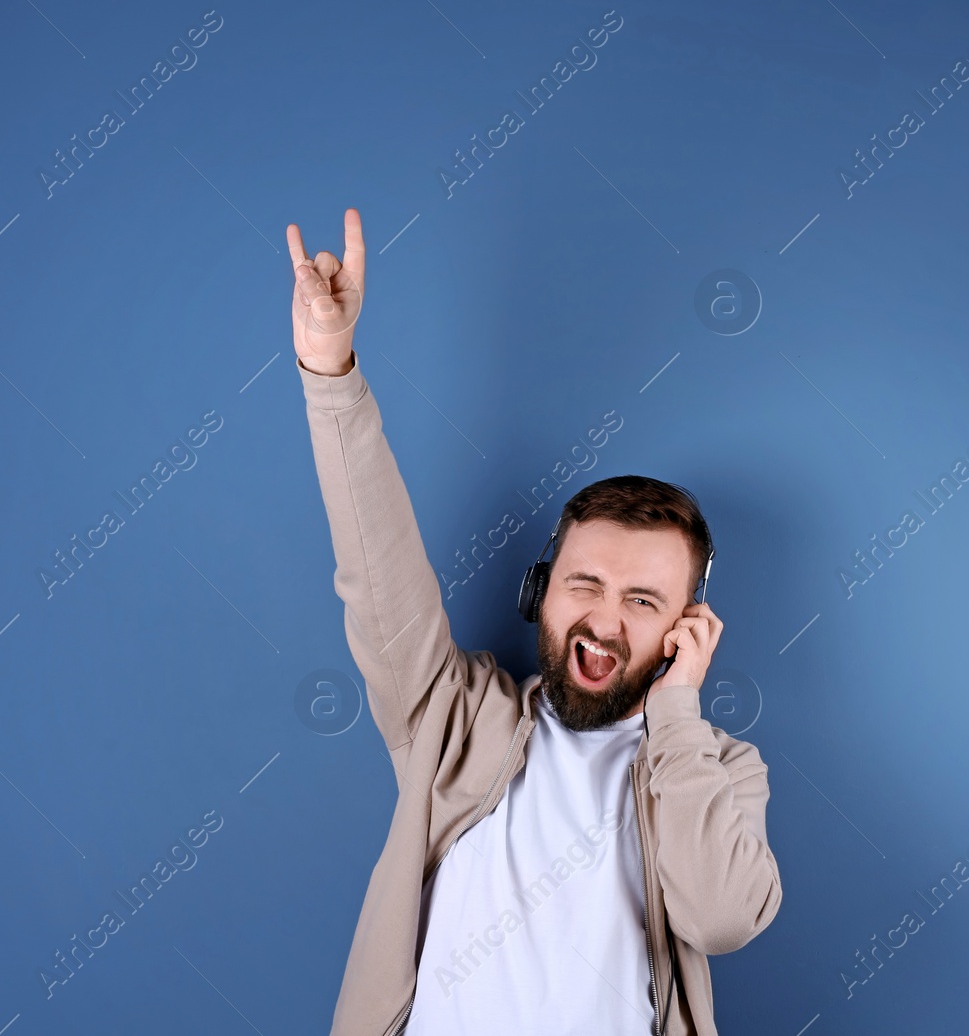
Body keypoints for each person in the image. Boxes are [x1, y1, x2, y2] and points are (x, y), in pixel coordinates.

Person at [289, 208, 781, 1035]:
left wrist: (678, 712)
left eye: (643, 600)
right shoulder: (453, 716)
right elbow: (374, 567)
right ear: (539, 590)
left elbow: (723, 917)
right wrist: (329, 369)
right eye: (585, 582)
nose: (606, 617)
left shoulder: (722, 768)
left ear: (685, 629)